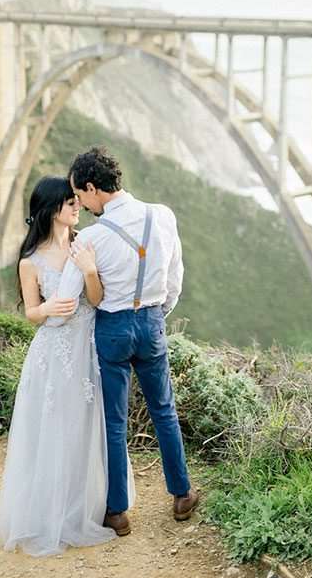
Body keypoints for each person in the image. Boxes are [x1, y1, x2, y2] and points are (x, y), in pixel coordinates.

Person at [51, 147, 199, 537]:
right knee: (163, 410)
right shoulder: (162, 216)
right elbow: (174, 279)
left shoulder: (93, 238)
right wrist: (154, 314)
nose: (80, 203)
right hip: (151, 322)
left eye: (80, 196)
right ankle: (182, 494)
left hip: (112, 328)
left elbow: (72, 294)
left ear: (91, 187)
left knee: (114, 421)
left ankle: (117, 512)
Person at [0, 175, 135, 557]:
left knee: (89, 426)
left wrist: (89, 271)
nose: (77, 206)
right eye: (69, 202)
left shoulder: (85, 243)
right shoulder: (31, 261)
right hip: (54, 353)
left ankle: (89, 506)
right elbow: (30, 313)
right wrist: (47, 308)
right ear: (51, 209)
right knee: (56, 428)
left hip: (88, 346)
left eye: (77, 201)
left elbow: (97, 298)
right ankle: (52, 512)